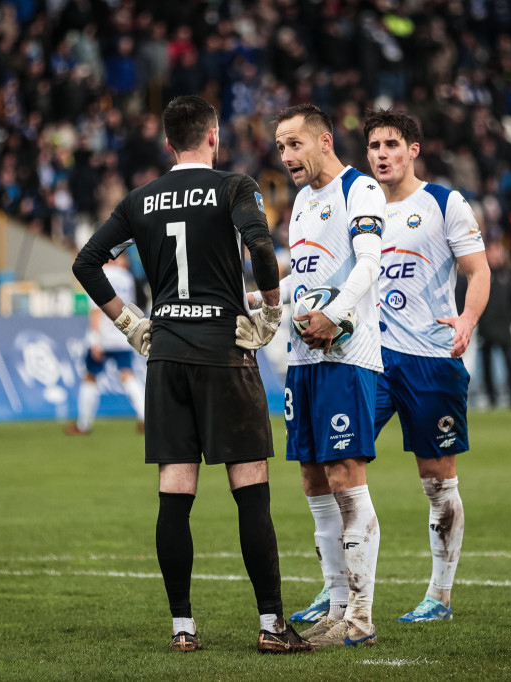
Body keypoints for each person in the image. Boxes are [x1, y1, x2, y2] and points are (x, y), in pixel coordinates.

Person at [72, 95, 312, 655]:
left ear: (168, 143)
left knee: (174, 491)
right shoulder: (234, 186)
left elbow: (86, 261)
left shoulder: (140, 199)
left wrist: (131, 323)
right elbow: (259, 244)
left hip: (167, 355)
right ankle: (272, 625)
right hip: (224, 351)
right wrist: (272, 312)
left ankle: (183, 626)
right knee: (249, 488)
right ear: (213, 137)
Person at [354, 108, 491, 623]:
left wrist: (467, 319)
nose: (381, 155)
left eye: (391, 145)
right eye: (373, 147)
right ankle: (340, 591)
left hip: (430, 360)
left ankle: (439, 596)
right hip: (368, 359)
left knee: (437, 480)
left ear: (413, 150)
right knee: (333, 467)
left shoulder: (443, 203)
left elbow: (478, 271)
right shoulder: (356, 205)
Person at [272, 103, 385, 647]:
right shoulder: (300, 201)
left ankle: (361, 616)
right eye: (280, 147)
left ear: (323, 140)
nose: (287, 156)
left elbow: (369, 264)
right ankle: (337, 605)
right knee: (313, 477)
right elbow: (303, 272)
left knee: (345, 475)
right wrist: (257, 302)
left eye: (295, 144)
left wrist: (333, 316)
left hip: (346, 353)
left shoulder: (358, 191)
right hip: (302, 356)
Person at [65, 251, 146, 435]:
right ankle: (144, 417)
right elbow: (131, 307)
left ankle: (83, 424)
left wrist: (95, 339)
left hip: (103, 334)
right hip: (123, 333)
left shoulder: (99, 274)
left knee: (90, 377)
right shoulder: (127, 278)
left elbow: (96, 309)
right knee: (128, 375)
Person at [479, 241, 511, 409]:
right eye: (492, 252)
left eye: (498, 252)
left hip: (504, 328)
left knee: (510, 364)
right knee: (486, 365)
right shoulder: (481, 275)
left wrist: (509, 319)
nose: (495, 256)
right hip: (486, 328)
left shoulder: (508, 275)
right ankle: (491, 399)